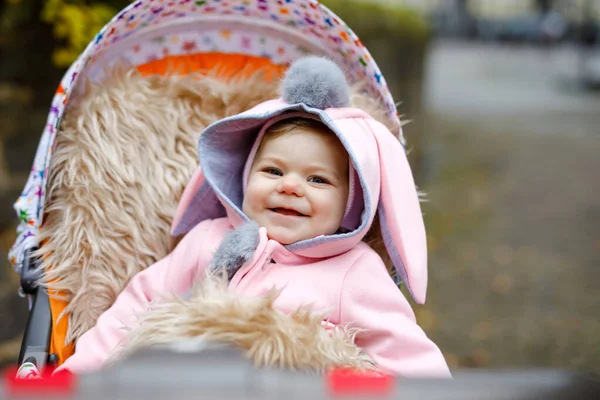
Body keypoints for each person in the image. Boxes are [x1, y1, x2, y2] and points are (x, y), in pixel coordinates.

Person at [52, 56, 451, 377]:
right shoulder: (207, 238)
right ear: (244, 180)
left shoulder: (354, 270)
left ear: (350, 205)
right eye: (273, 171)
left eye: (317, 179)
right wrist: (77, 379)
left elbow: (407, 354)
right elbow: (136, 308)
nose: (291, 186)